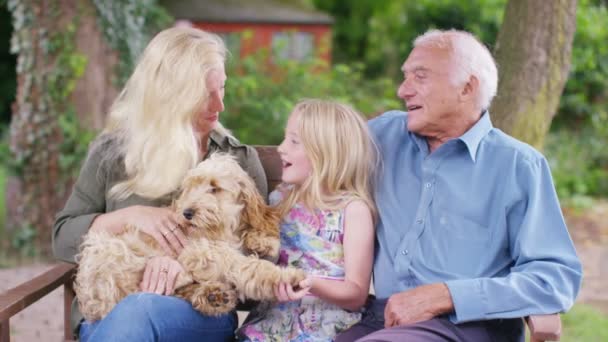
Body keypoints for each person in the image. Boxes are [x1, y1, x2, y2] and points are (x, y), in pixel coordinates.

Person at [336, 29, 583, 342]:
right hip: (381, 320)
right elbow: (314, 159)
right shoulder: (382, 136)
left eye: (419, 77)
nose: (403, 90)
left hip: (467, 326)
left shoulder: (518, 165)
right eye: (405, 76)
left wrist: (448, 295)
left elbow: (555, 280)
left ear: (468, 87)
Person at [52, 27, 268, 342]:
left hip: (197, 314)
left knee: (141, 309)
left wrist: (187, 272)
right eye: (205, 94)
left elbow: (260, 270)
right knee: (133, 311)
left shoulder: (236, 163)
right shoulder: (114, 154)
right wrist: (127, 217)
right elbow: (62, 238)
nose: (219, 105)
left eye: (222, 89)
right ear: (170, 95)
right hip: (109, 314)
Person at [236, 99, 378, 341]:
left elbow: (356, 293)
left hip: (324, 329)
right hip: (271, 326)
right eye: (284, 138)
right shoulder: (280, 198)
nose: (281, 148)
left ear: (325, 153)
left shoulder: (353, 210)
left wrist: (308, 282)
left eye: (294, 141)